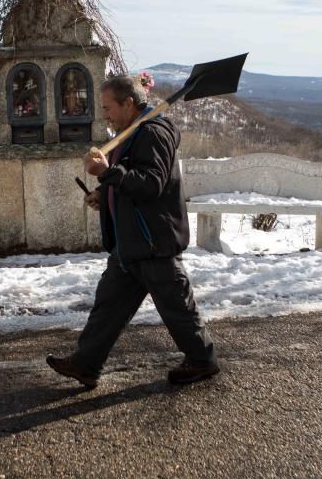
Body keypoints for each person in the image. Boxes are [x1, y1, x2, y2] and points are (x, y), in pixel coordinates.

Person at [46, 75, 220, 388]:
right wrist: (105, 192)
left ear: (128, 103)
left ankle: (202, 360)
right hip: (130, 243)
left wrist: (108, 172)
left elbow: (151, 184)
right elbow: (129, 180)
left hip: (153, 241)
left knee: (177, 308)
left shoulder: (154, 133)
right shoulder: (131, 133)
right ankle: (86, 364)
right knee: (108, 307)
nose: (105, 114)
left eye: (108, 107)